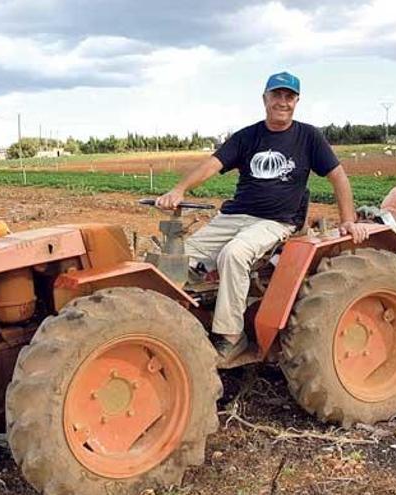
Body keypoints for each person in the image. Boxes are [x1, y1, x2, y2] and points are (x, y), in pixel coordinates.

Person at [155, 71, 376, 360]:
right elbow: (211, 165)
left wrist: (348, 220)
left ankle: (232, 335)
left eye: (289, 96)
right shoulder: (247, 136)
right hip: (235, 216)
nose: (282, 102)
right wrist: (179, 190)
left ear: (296, 101)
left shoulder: (308, 137)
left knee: (234, 254)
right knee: (178, 256)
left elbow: (338, 177)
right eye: (276, 95)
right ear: (265, 99)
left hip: (276, 221)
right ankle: (171, 325)